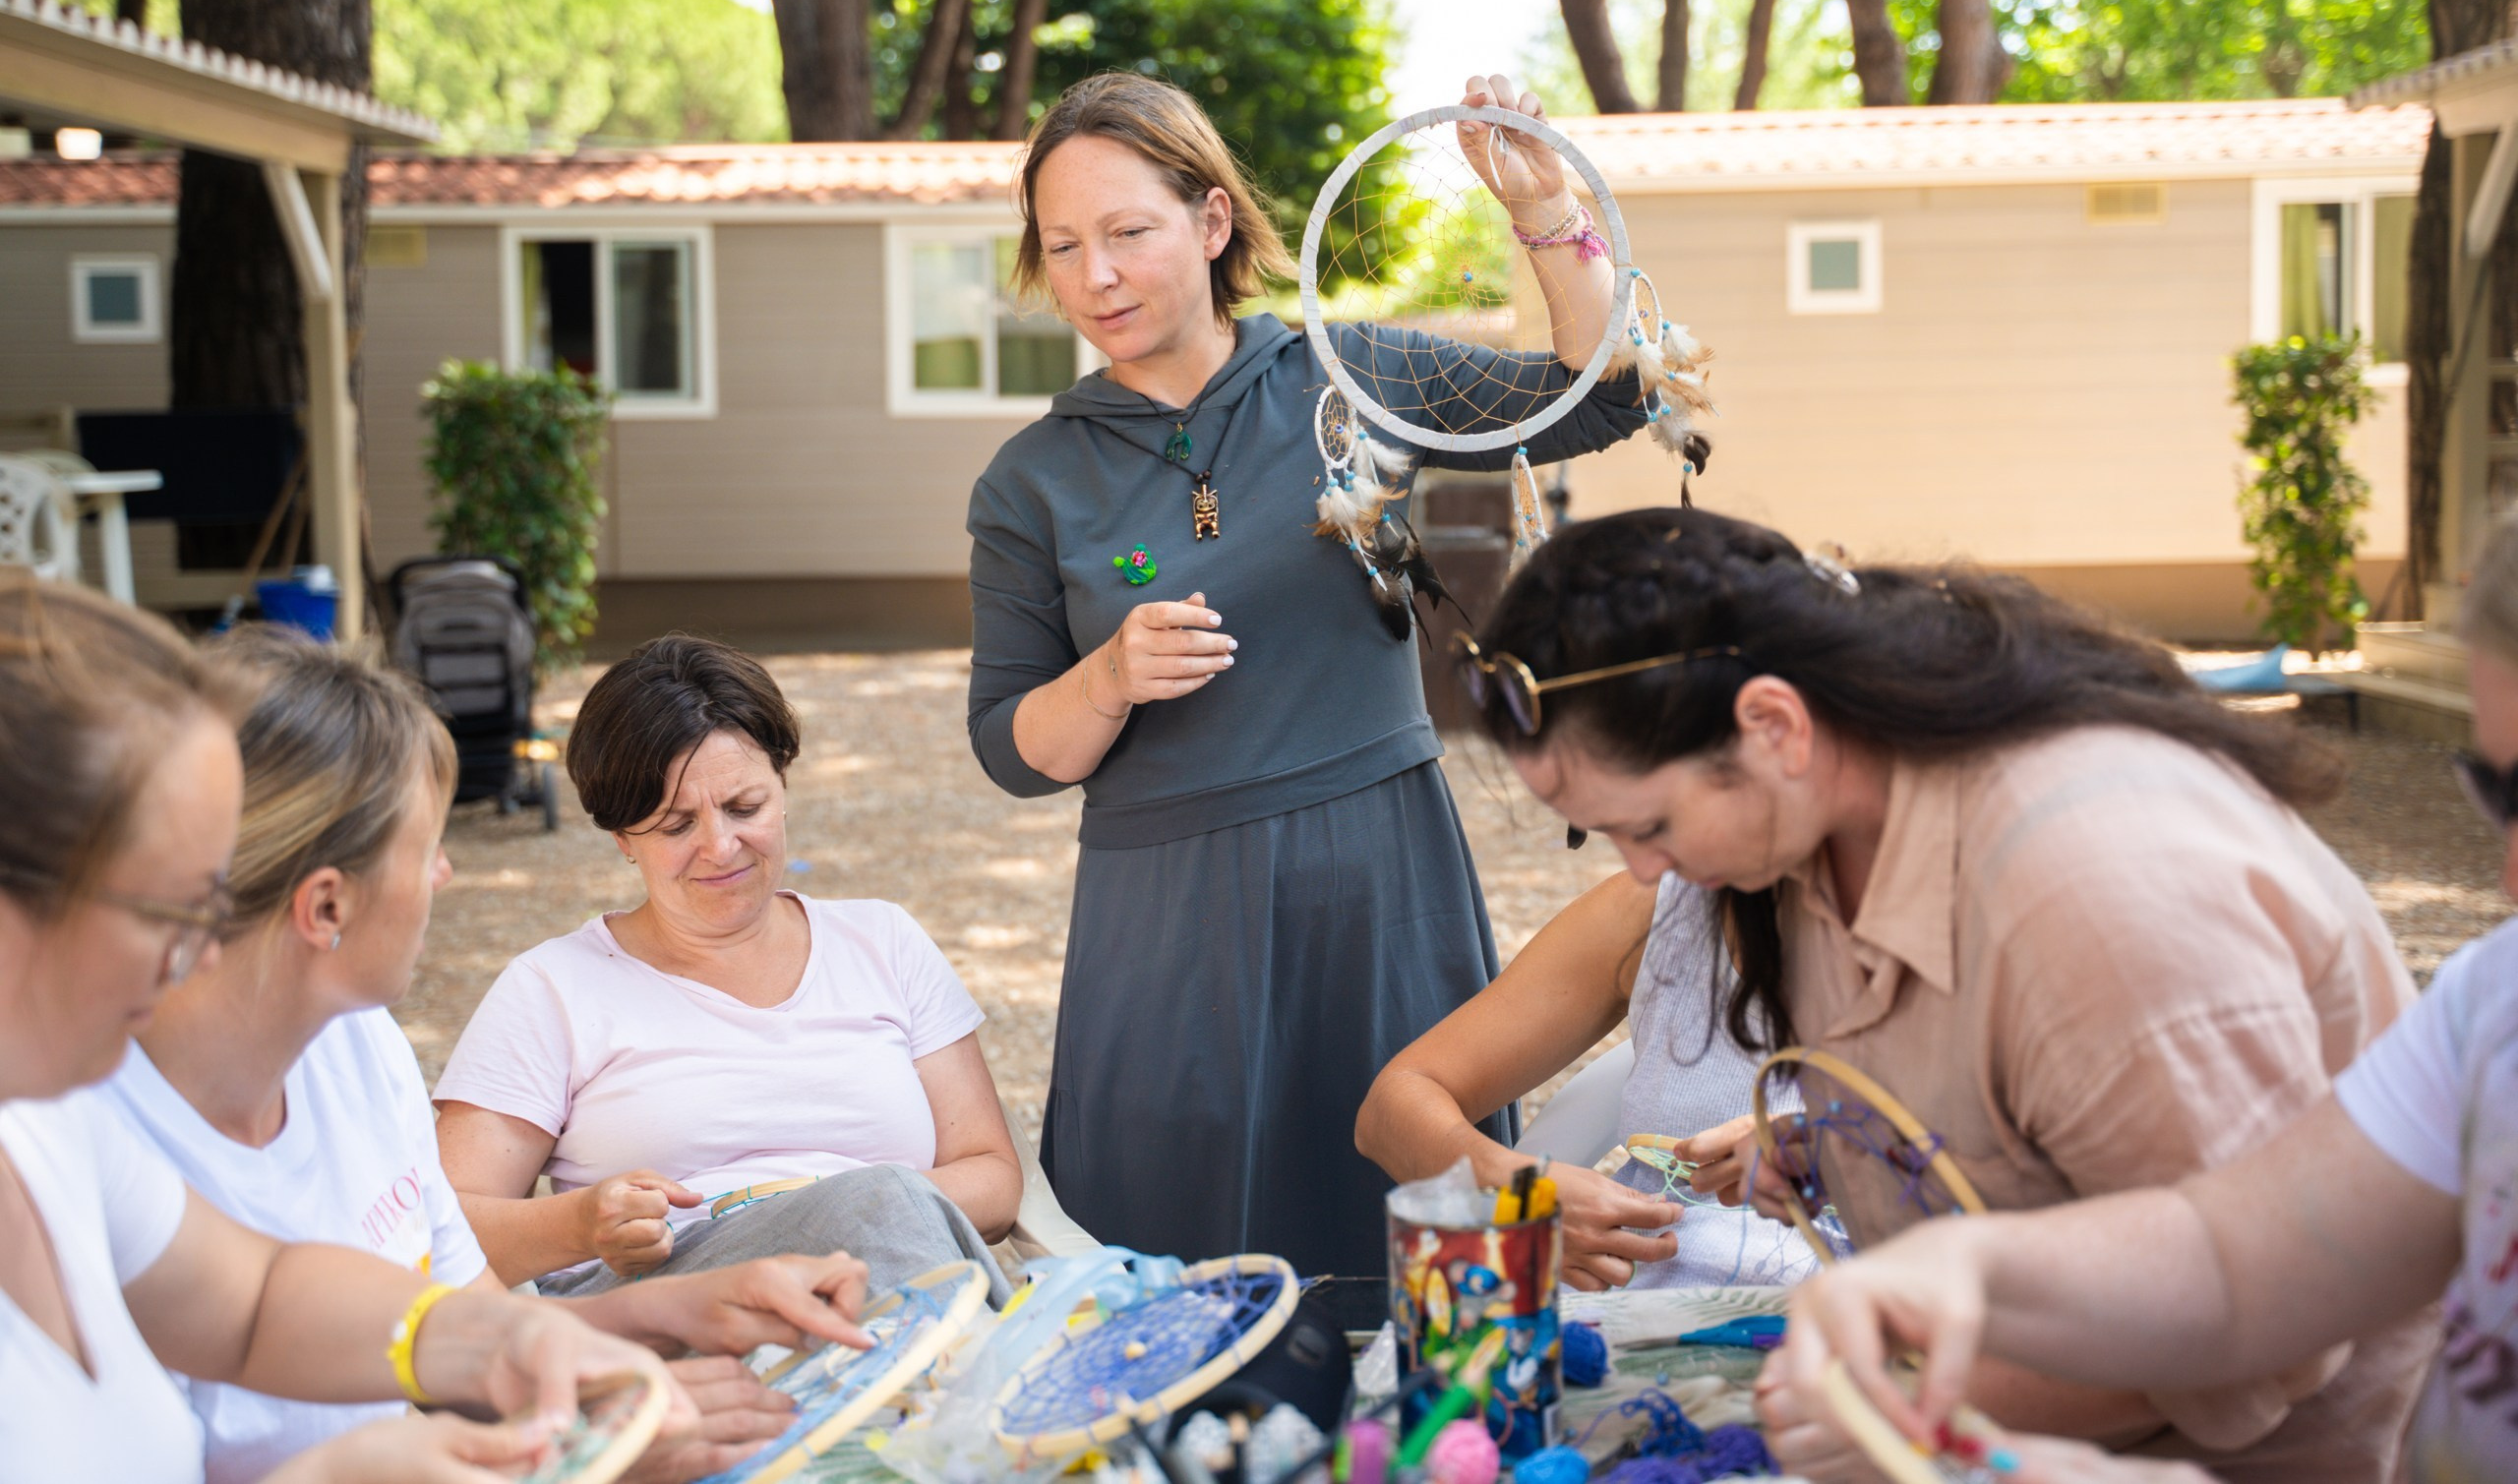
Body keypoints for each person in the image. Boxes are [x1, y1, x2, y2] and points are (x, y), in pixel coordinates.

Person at [1458, 506, 2428, 1481]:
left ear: (1774, 727)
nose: (1641, 871)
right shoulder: (1811, 842)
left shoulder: (2096, 893)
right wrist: (1847, 1150)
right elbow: (2007, 1117)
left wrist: (1922, 1416)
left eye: (1651, 824)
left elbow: (2263, 1314)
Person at [965, 69, 1650, 1276]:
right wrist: (1106, 679)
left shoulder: (1351, 377)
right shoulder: (1030, 482)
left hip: (1380, 881)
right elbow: (1012, 751)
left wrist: (1543, 207)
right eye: (1062, 247)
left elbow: (1604, 401)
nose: (1096, 276)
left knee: (1418, 1240)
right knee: (1177, 1268)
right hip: (1164, 915)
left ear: (1211, 221)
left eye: (1127, 233)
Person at [1774, 513, 2518, 1484]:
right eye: (2496, 792)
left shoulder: (2092, 873)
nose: (2507, 875)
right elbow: (2235, 1260)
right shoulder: (2493, 1002)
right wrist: (1971, 1270)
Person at [99, 626, 880, 1484]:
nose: (443, 873)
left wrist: (680, 1311)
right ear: (325, 908)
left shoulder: (357, 1045)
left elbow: (441, 1333)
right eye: (424, 847)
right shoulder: (71, 1135)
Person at [0, 572, 681, 1482]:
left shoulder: (47, 1120)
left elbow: (253, 1303)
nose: (204, 949)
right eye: (175, 902)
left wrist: (497, 1340)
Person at [437, 634, 1021, 1302]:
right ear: (622, 837)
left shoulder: (884, 941)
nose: (720, 846)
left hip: (891, 1270)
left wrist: (853, 1209)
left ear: (783, 788)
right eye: (676, 825)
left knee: (880, 1205)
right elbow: (440, 1225)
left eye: (746, 808)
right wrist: (578, 1225)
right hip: (670, 1304)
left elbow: (993, 1177)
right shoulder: (552, 988)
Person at [1357, 870, 1815, 1292]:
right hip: (1639, 1324)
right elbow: (1391, 1105)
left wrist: (1834, 1149)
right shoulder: (1662, 907)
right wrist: (1513, 1191)